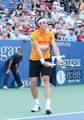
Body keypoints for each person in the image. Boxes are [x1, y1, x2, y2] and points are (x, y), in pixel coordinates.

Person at [29, 17, 64, 115]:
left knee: (45, 79)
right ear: (39, 25)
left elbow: (55, 46)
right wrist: (42, 61)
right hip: (34, 59)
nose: (46, 24)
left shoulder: (50, 33)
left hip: (47, 58)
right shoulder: (34, 34)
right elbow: (37, 48)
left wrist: (59, 58)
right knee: (33, 82)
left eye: (46, 23)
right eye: (43, 23)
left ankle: (48, 105)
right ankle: (36, 104)